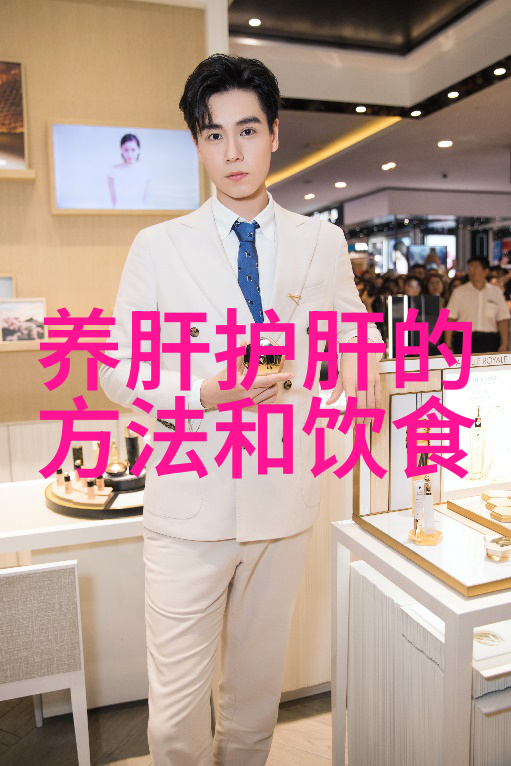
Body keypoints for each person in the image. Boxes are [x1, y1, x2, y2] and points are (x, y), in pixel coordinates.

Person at [99, 54, 384, 766]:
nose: (232, 152)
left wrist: (364, 360)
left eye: (247, 130)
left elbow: (352, 328)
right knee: (175, 723)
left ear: (275, 134)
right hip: (187, 509)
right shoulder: (158, 247)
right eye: (213, 134)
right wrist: (202, 392)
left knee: (254, 706)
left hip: (282, 501)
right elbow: (116, 368)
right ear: (197, 144)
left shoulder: (320, 241)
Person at [444, 256, 509, 354]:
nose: (471, 271)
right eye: (469, 268)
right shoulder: (459, 292)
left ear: (486, 271)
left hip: (489, 340)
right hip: (463, 339)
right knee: (464, 364)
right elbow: (450, 319)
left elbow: (502, 319)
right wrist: (448, 346)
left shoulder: (496, 292)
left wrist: (504, 344)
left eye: (475, 267)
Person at [107, 133, 152, 209]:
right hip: (119, 212)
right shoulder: (113, 170)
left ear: (138, 150)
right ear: (121, 150)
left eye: (133, 150)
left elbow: (145, 201)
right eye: (126, 150)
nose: (130, 154)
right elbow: (113, 201)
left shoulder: (145, 172)